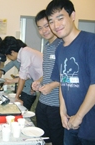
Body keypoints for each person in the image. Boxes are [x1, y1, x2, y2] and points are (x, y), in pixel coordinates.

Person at [46, 0, 95, 144]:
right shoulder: (60, 49)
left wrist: (79, 116)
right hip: (69, 123)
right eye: (51, 21)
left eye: (60, 18)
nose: (56, 25)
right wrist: (62, 112)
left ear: (73, 16)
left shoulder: (92, 41)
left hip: (92, 124)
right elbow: (63, 82)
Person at [31, 10, 63, 145]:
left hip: (57, 104)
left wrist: (52, 85)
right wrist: (38, 81)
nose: (44, 30)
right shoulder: (47, 46)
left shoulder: (62, 45)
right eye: (40, 27)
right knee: (43, 138)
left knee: (57, 140)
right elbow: (48, 73)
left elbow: (68, 75)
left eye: (46, 25)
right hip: (43, 102)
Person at [0, 36, 43, 107]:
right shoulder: (23, 54)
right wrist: (10, 81)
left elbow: (23, 77)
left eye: (7, 55)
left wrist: (17, 96)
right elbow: (27, 75)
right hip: (42, 83)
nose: (8, 58)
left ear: (12, 52)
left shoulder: (25, 52)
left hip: (48, 82)